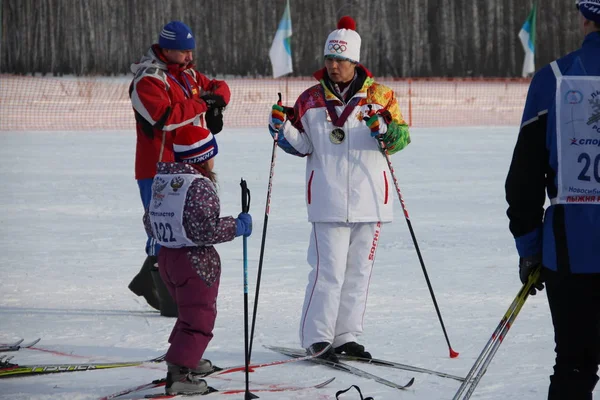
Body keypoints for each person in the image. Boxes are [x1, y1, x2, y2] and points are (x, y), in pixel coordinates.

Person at [268, 16, 410, 362]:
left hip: (371, 199)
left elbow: (401, 139)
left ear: (354, 61)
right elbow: (301, 146)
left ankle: (346, 335)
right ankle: (317, 338)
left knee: (358, 272)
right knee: (327, 272)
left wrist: (384, 130)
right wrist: (280, 128)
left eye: (340, 60)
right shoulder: (310, 99)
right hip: (328, 199)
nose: (333, 66)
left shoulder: (380, 97)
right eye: (329, 59)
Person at [505, 2, 600, 398]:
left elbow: (523, 181)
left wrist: (530, 249)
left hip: (570, 252)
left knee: (575, 365)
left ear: (585, 18)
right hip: (568, 249)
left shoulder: (553, 78)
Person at [128, 20, 230, 316]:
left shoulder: (189, 75)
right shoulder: (148, 80)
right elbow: (165, 117)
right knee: (162, 229)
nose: (190, 57)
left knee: (183, 229)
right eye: (184, 52)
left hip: (187, 165)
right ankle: (163, 292)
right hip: (156, 169)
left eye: (191, 51)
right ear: (167, 49)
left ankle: (154, 283)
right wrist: (201, 103)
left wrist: (217, 99)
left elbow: (217, 87)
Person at [143, 124, 253, 395]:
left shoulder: (163, 180)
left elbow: (149, 220)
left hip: (168, 257)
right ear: (204, 157)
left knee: (188, 312)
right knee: (200, 318)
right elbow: (204, 229)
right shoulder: (199, 185)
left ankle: (187, 356)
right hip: (196, 262)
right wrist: (236, 226)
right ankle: (180, 371)